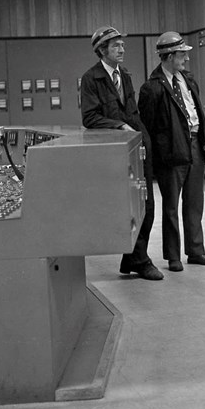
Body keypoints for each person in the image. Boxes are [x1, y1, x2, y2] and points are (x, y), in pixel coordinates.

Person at [80, 25, 163, 281]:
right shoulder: (90, 79)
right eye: (116, 45)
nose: (122, 48)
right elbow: (90, 116)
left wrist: (143, 137)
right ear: (102, 50)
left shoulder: (124, 76)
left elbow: (132, 113)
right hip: (113, 152)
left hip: (137, 146)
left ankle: (138, 259)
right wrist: (119, 126)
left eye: (122, 45)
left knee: (146, 205)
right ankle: (136, 259)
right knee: (128, 208)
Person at [138, 31, 205, 272]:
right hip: (170, 153)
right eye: (182, 54)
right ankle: (173, 256)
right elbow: (147, 127)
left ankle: (196, 250)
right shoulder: (151, 88)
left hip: (194, 146)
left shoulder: (189, 80)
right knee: (171, 206)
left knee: (194, 202)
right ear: (169, 56)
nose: (185, 59)